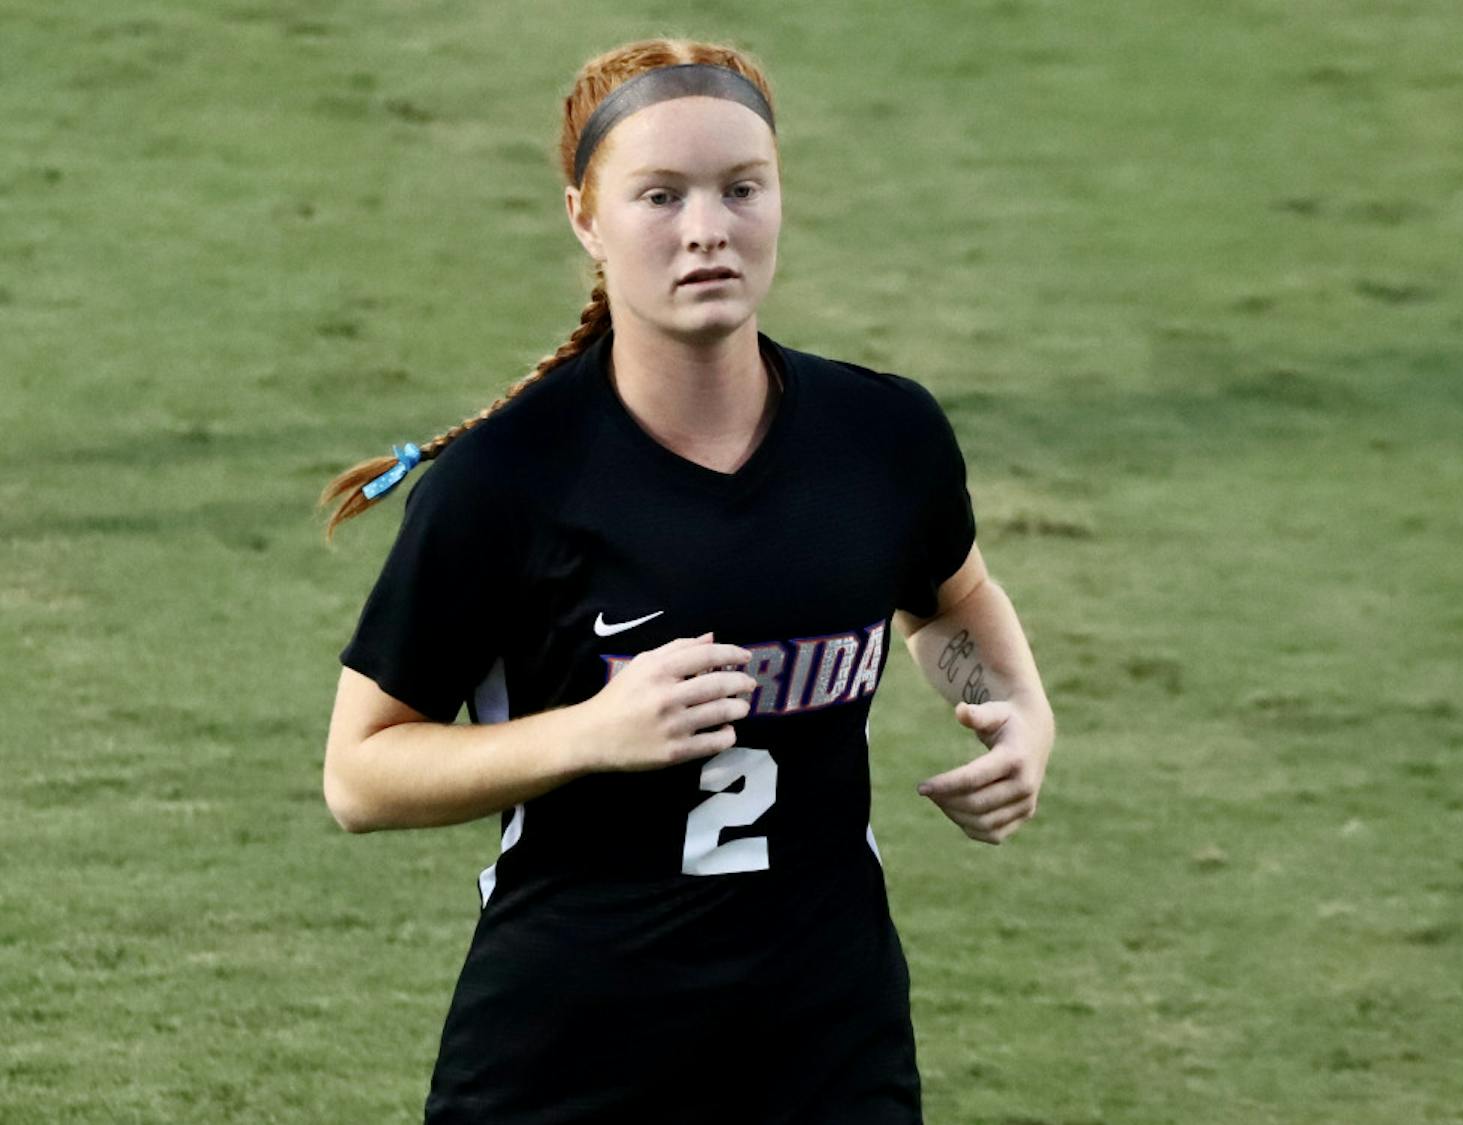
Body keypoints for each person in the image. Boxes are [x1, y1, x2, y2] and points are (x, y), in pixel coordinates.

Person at [320, 37, 1055, 1125]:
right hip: (569, 1051)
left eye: (741, 189)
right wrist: (587, 734)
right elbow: (360, 775)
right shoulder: (509, 481)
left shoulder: (881, 433)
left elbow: (948, 596)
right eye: (660, 196)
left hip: (829, 1041)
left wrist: (1018, 716)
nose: (708, 229)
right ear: (585, 217)